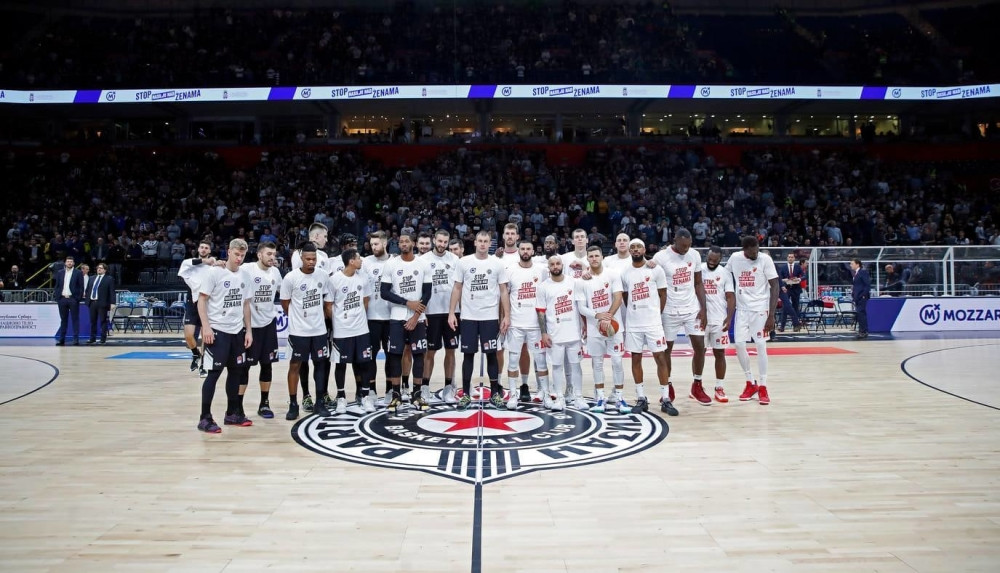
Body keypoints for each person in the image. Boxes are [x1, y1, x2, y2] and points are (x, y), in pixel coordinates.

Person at [195, 239, 253, 433]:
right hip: (217, 331)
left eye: (242, 255)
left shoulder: (245, 275)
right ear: (228, 252)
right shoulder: (215, 273)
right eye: (236, 254)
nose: (239, 258)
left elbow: (245, 304)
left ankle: (232, 413)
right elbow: (201, 301)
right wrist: (206, 328)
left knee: (236, 373)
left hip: (237, 332)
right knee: (213, 374)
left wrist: (249, 330)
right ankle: (205, 418)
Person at [448, 230, 511, 410]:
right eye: (480, 241)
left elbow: (504, 291)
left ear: (490, 243)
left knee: (492, 355)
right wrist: (452, 312)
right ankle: (466, 395)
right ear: (475, 243)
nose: (483, 244)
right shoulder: (464, 262)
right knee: (468, 356)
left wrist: (506, 315)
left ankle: (495, 395)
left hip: (490, 317)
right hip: (468, 317)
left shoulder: (497, 264)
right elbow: (457, 289)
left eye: (486, 241)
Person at [619, 239, 677, 416]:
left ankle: (666, 399)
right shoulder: (625, 273)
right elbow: (627, 297)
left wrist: (656, 314)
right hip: (634, 323)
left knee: (660, 357)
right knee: (636, 359)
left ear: (644, 249)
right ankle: (641, 397)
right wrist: (635, 312)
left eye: (638, 247)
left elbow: (663, 294)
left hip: (653, 323)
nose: (635, 250)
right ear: (629, 251)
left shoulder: (655, 269)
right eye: (632, 248)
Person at [651, 228, 708, 406]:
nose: (686, 249)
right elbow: (651, 280)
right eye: (683, 246)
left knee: (700, 346)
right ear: (674, 240)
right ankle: (667, 386)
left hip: (691, 307)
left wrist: (703, 309)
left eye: (689, 246)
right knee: (666, 350)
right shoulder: (661, 257)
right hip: (669, 308)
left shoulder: (695, 255)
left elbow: (698, 283)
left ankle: (697, 385)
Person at [380, 232, 432, 412]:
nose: (403, 244)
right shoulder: (391, 264)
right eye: (401, 241)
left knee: (419, 354)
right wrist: (406, 302)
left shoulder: (423, 264)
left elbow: (427, 293)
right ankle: (396, 394)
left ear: (414, 243)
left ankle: (416, 394)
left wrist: (415, 316)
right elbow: (384, 292)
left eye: (406, 241)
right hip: (396, 316)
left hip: (418, 318)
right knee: (395, 355)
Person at [280, 242, 332, 420]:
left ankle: (319, 402)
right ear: (301, 258)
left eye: (314, 259)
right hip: (298, 331)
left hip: (318, 329)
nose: (311, 262)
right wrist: (297, 319)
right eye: (308, 259)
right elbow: (285, 304)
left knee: (320, 364)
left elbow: (326, 301)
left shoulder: (323, 276)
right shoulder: (290, 278)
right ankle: (293, 403)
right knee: (295, 365)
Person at [576, 245, 630, 413]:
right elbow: (581, 307)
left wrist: (608, 316)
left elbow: (618, 297)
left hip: (614, 327)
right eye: (590, 256)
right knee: (597, 363)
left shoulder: (613, 274)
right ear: (587, 259)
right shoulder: (581, 281)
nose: (594, 259)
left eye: (596, 256)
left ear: (602, 257)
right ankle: (600, 398)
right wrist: (599, 316)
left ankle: (619, 397)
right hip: (594, 329)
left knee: (617, 361)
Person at [727, 236, 779, 405]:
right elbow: (723, 273)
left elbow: (775, 285)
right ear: (745, 250)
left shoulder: (765, 259)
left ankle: (763, 386)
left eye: (757, 248)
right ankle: (751, 383)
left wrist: (771, 315)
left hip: (760, 310)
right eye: (752, 250)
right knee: (739, 345)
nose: (755, 252)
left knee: (761, 345)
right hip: (742, 310)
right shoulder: (735, 258)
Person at [325, 248, 373, 415]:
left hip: (361, 329)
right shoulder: (334, 280)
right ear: (351, 261)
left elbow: (366, 300)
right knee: (341, 365)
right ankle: (341, 397)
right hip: (342, 331)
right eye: (359, 258)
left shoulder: (363, 278)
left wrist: (358, 316)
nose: (361, 261)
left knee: (364, 363)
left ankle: (364, 396)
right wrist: (339, 321)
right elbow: (328, 306)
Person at [504, 239, 549, 409]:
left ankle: (544, 393)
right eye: (522, 248)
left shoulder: (542, 271)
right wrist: (505, 317)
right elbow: (505, 297)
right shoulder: (510, 271)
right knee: (513, 360)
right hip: (516, 323)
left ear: (533, 251)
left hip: (536, 324)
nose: (525, 251)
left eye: (528, 249)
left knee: (541, 361)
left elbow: (547, 295)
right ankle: (513, 394)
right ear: (518, 251)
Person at [290, 223, 331, 411]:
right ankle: (305, 395)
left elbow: (326, 289)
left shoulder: (325, 257)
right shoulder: (297, 255)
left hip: (320, 320)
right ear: (315, 236)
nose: (327, 240)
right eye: (324, 236)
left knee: (322, 359)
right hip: (302, 322)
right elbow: (295, 290)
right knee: (302, 361)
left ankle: (321, 395)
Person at [240, 241, 283, 419]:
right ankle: (238, 406)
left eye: (274, 254)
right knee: (244, 368)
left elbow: (284, 291)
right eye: (268, 254)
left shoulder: (276, 272)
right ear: (259, 255)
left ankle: (264, 404)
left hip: (268, 325)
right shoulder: (247, 269)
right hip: (249, 327)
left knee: (267, 365)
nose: (272, 258)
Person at [536, 256, 583, 411]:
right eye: (552, 264)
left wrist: (585, 326)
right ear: (548, 267)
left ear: (562, 265)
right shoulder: (543, 287)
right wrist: (544, 333)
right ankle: (559, 398)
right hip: (554, 334)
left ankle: (578, 397)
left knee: (575, 366)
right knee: (556, 367)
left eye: (557, 264)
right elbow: (541, 312)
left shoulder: (573, 282)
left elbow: (581, 305)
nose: (555, 266)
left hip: (574, 333)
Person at [422, 229, 461, 403]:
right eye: (439, 241)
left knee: (451, 351)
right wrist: (422, 312)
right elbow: (419, 290)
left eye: (445, 242)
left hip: (451, 312)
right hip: (431, 312)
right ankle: (424, 388)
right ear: (433, 240)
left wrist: (454, 312)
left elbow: (459, 287)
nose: (442, 245)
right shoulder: (423, 261)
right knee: (429, 352)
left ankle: (447, 389)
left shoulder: (455, 260)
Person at [178, 240, 220, 377]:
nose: (203, 249)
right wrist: (207, 261)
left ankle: (203, 365)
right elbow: (190, 266)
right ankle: (196, 354)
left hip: (207, 302)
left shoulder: (214, 267)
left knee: (205, 336)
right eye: (201, 247)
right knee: (189, 336)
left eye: (206, 248)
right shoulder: (188, 263)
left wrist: (217, 263)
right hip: (192, 301)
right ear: (198, 249)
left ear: (209, 251)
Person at [701, 246, 736, 402]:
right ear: (706, 256)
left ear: (720, 259)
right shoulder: (699, 270)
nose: (712, 262)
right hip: (700, 319)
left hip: (719, 319)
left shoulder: (725, 274)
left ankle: (719, 387)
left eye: (715, 260)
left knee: (720, 353)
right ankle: (697, 385)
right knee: (699, 353)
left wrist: (729, 318)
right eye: (710, 259)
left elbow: (730, 297)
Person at [362, 231, 393, 404]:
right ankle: (372, 391)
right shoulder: (365, 262)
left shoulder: (394, 262)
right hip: (371, 317)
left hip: (390, 317)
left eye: (376, 244)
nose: (373, 247)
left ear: (385, 243)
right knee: (370, 357)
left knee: (391, 355)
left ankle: (390, 390)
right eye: (372, 244)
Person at [53, 255, 84, 346]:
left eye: (71, 261)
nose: (69, 263)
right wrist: (58, 297)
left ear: (73, 263)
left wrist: (77, 298)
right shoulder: (60, 272)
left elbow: (81, 287)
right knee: (63, 320)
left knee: (75, 319)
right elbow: (57, 285)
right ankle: (62, 339)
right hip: (62, 299)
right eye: (68, 261)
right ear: (65, 263)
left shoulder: (78, 272)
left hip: (73, 299)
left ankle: (75, 339)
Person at [85, 262, 114, 345]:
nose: (99, 269)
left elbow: (112, 292)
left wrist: (112, 303)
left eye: (101, 268)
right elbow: (88, 290)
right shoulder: (92, 278)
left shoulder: (109, 279)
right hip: (92, 302)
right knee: (92, 321)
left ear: (105, 270)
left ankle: (103, 338)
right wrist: (87, 300)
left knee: (103, 321)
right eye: (98, 268)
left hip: (102, 303)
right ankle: (92, 338)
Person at [777, 252, 803, 332]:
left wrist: (798, 279)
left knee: (795, 307)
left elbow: (804, 275)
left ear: (794, 258)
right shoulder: (783, 267)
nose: (790, 258)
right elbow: (779, 277)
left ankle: (796, 326)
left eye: (792, 257)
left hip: (796, 288)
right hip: (786, 288)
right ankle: (782, 326)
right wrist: (783, 280)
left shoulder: (798, 267)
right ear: (787, 258)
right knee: (785, 307)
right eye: (789, 257)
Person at [851, 259, 871, 339]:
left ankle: (863, 331)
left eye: (852, 264)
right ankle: (861, 330)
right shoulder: (856, 273)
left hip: (861, 297)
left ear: (857, 264)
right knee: (860, 314)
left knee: (861, 313)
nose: (850, 265)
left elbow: (867, 285)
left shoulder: (863, 272)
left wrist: (863, 295)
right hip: (857, 297)